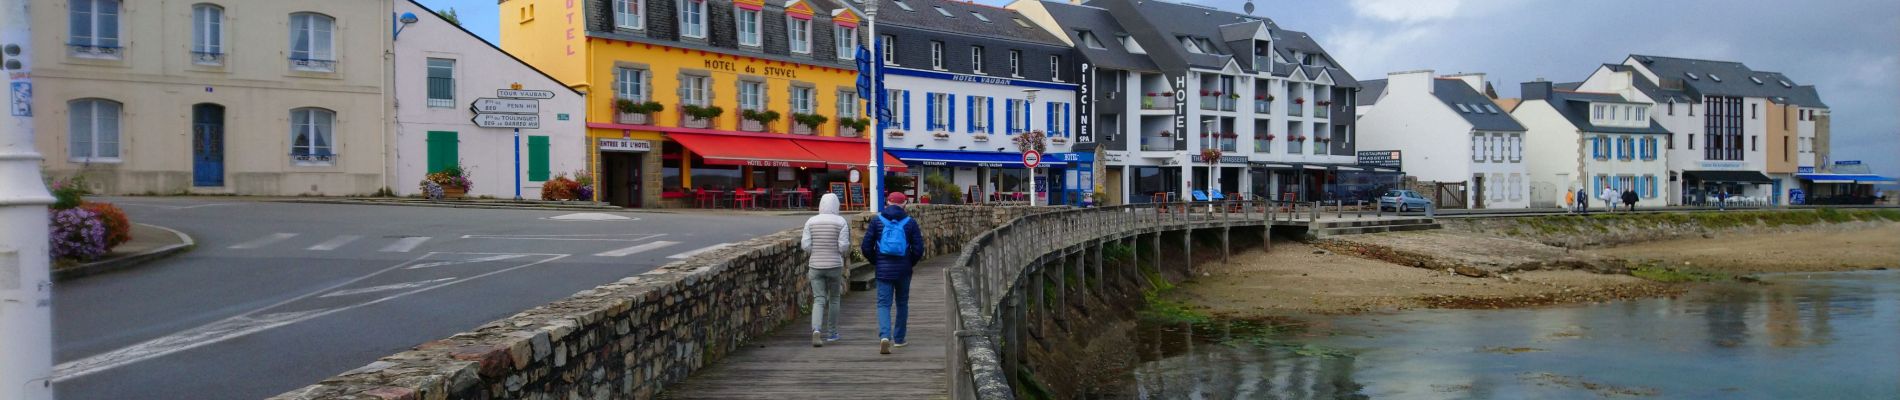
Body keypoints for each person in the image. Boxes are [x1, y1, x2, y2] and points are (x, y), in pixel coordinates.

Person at [862, 193, 923, 355]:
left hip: (883, 270)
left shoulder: (877, 221)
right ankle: (900, 339)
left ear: (887, 203)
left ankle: (884, 336)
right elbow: (918, 249)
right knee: (902, 303)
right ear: (904, 204)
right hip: (904, 269)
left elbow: (866, 246)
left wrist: (876, 261)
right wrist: (910, 262)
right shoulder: (910, 223)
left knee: (883, 304)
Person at [800, 194, 850, 347]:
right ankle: (832, 332)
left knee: (819, 299)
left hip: (816, 264)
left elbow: (805, 245)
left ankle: (816, 329)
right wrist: (837, 252)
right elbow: (843, 246)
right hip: (834, 264)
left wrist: (816, 251)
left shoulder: (811, 221)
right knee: (834, 298)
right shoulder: (841, 221)